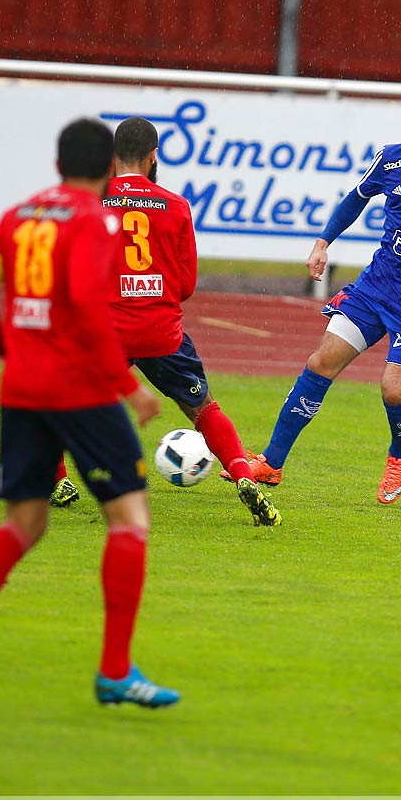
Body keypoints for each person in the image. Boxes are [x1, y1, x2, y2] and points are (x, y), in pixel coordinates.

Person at [0, 118, 178, 710]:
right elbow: (90, 308)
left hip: (21, 390)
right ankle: (115, 671)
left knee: (25, 523)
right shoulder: (96, 220)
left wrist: (10, 348)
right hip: (80, 389)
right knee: (129, 521)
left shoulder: (19, 217)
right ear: (105, 169)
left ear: (58, 162)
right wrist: (128, 386)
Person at [236, 83, 401, 504]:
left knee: (393, 390)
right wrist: (323, 242)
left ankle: (398, 455)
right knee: (321, 360)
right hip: (376, 288)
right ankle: (271, 463)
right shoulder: (391, 159)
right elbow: (355, 199)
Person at [102, 116, 279, 527]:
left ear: (113, 158)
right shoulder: (176, 206)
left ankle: (57, 482)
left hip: (108, 330)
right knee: (202, 408)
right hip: (162, 333)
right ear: (153, 157)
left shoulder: (91, 201)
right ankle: (241, 475)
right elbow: (184, 286)